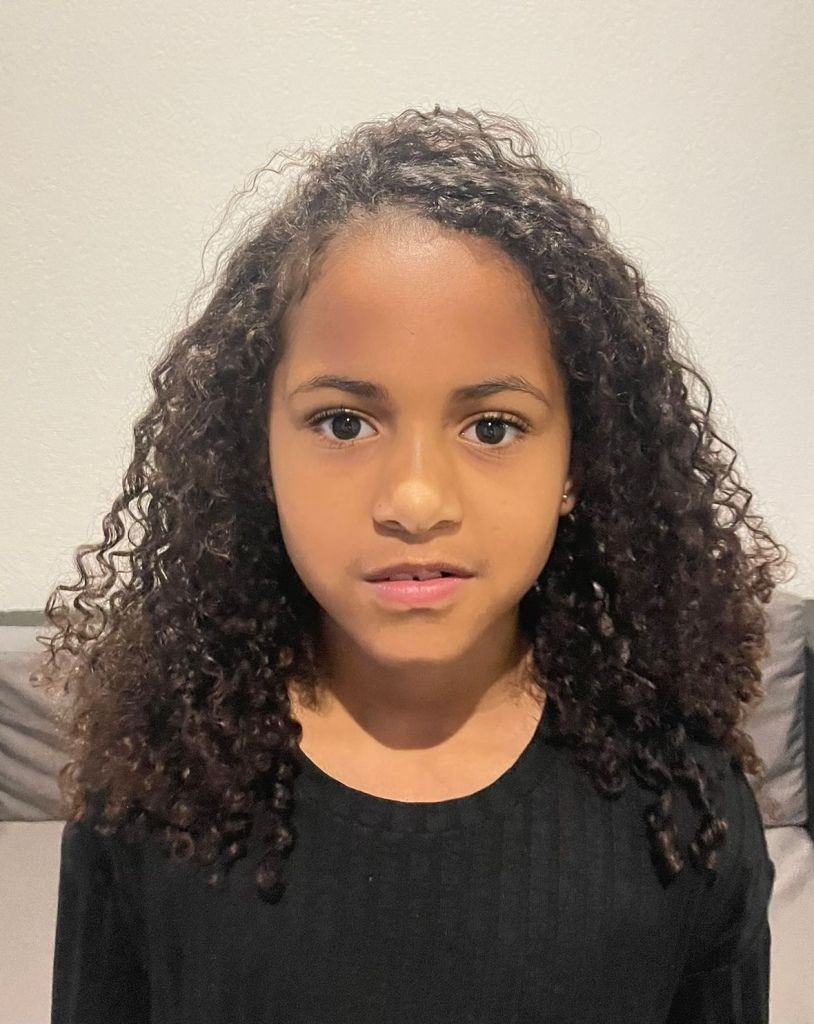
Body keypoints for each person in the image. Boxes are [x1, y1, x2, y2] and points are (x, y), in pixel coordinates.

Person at [38, 105, 788, 1024]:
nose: (416, 499)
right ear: (255, 454)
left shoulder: (685, 810)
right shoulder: (154, 792)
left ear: (578, 464)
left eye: (493, 427)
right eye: (343, 422)